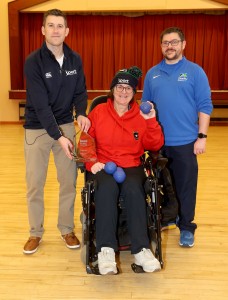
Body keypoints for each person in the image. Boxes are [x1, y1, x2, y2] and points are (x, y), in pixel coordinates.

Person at [23, 9, 90, 254]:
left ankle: (66, 228)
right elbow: (40, 105)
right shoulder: (33, 62)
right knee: (35, 184)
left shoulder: (75, 59)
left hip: (64, 125)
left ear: (67, 31)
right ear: (43, 30)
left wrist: (81, 113)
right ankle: (35, 232)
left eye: (59, 26)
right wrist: (59, 137)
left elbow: (80, 91)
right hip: (37, 128)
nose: (55, 30)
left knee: (68, 182)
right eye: (50, 25)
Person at [85, 66, 164, 275]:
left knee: (132, 188)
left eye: (128, 87)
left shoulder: (141, 114)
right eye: (119, 86)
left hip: (131, 164)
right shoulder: (99, 112)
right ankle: (106, 250)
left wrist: (151, 121)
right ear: (112, 90)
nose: (123, 91)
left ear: (133, 93)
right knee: (107, 188)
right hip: (103, 164)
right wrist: (91, 162)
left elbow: (154, 145)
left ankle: (142, 249)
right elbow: (85, 141)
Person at [142, 27, 213, 248]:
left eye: (174, 42)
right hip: (159, 143)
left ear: (183, 44)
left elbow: (204, 105)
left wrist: (202, 136)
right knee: (161, 186)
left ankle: (187, 227)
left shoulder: (195, 71)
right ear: (161, 46)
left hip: (185, 142)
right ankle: (169, 218)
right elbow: (146, 107)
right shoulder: (152, 73)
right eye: (165, 43)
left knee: (185, 187)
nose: (169, 46)